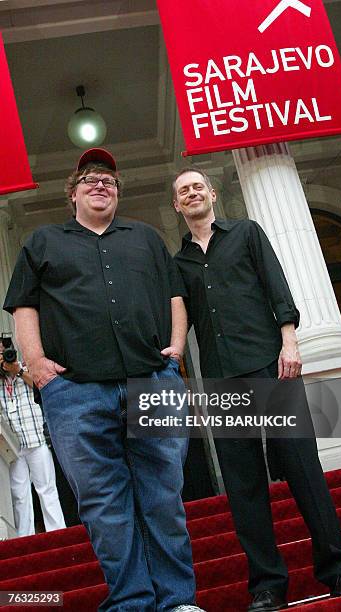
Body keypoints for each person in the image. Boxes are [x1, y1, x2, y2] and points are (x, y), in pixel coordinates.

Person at [3, 149, 205, 612]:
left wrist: (175, 353)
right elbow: (24, 307)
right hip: (74, 392)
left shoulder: (146, 239)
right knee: (103, 505)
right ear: (72, 193)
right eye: (91, 180)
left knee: (163, 495)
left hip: (151, 381)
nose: (102, 186)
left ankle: (177, 601)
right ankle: (132, 601)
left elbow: (175, 294)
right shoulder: (42, 242)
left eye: (110, 181)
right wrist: (36, 365)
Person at [172, 167, 341, 612]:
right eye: (183, 191)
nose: (191, 194)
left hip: (271, 365)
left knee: (303, 469)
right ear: (177, 205)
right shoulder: (178, 263)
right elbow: (179, 317)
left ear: (211, 194)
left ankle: (338, 569)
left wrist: (290, 342)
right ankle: (266, 585)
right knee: (244, 487)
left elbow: (277, 287)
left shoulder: (246, 233)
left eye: (197, 187)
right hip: (223, 380)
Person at [0, 340, 66, 537]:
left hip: (35, 438)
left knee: (46, 488)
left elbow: (39, 384)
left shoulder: (26, 368)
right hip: (12, 445)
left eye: (4, 351)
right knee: (19, 495)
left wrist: (17, 370)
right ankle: (25, 538)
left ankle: (58, 534)